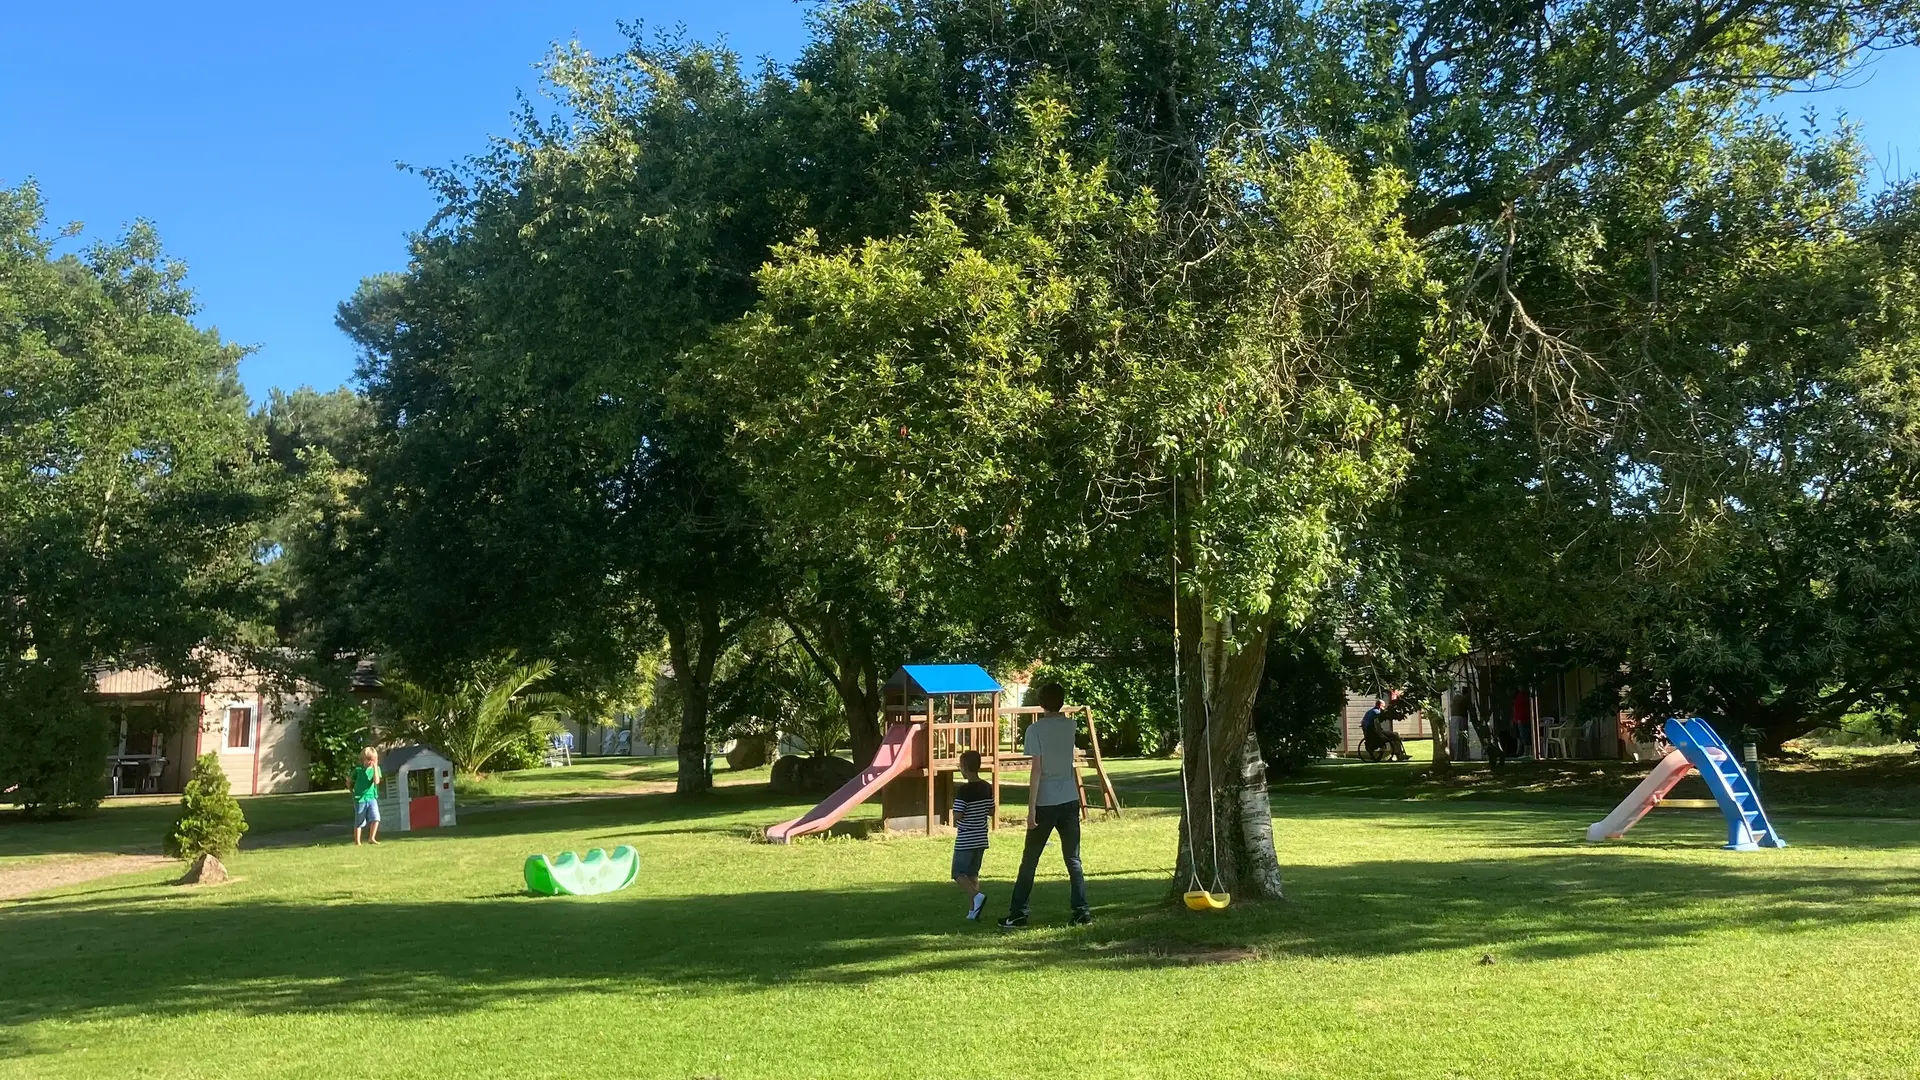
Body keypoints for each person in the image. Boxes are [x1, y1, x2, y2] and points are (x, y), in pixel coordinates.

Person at [999, 683, 1091, 928]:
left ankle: (1018, 913)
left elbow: (1037, 770)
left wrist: (1031, 809)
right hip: (1069, 797)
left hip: (1046, 801)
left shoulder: (1035, 730)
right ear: (1062, 700)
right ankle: (1082, 911)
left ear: (1041, 703)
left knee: (1030, 860)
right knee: (1073, 859)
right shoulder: (1071, 726)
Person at [950, 749, 993, 920]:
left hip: (966, 837)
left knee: (958, 873)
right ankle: (972, 911)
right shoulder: (986, 787)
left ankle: (977, 896)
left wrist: (955, 818)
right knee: (972, 874)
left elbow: (958, 814)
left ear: (965, 768)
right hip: (981, 837)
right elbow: (991, 810)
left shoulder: (964, 790)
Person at [351, 747, 382, 846]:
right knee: (359, 821)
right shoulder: (358, 770)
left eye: (373, 760)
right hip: (360, 799)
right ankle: (357, 841)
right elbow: (350, 782)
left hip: (372, 797)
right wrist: (352, 790)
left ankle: (371, 838)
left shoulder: (376, 769)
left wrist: (375, 767)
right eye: (368, 760)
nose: (370, 762)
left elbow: (376, 781)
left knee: (376, 818)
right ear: (363, 759)